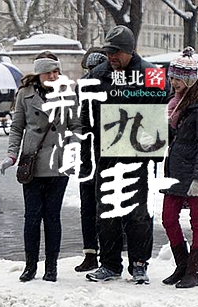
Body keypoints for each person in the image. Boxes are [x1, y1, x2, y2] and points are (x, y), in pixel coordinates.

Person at [80, 25, 169, 284]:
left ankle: (139, 264)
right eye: (109, 52)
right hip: (106, 153)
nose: (112, 57)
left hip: (139, 153)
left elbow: (164, 111)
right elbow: (85, 114)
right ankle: (110, 264)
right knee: (107, 211)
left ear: (131, 51)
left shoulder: (151, 74)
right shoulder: (97, 75)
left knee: (138, 212)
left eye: (117, 52)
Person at [0, 51, 81, 282]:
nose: (54, 75)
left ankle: (52, 267)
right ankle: (30, 266)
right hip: (32, 163)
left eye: (57, 71)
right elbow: (17, 127)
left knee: (52, 216)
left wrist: (74, 145)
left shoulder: (68, 93)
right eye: (49, 72)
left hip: (58, 162)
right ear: (39, 74)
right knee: (32, 217)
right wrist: (11, 154)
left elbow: (76, 125)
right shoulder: (24, 94)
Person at [162, 47, 198, 288]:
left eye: (177, 78)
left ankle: (193, 272)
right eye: (171, 77)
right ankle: (182, 265)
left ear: (189, 79)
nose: (173, 82)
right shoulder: (176, 104)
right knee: (168, 219)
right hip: (176, 173)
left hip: (197, 173)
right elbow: (174, 137)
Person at [75, 50, 108, 273]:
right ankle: (92, 253)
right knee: (90, 206)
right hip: (88, 156)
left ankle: (102, 253)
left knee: (99, 207)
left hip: (101, 155)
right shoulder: (84, 88)